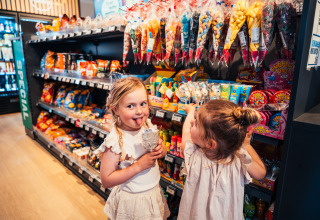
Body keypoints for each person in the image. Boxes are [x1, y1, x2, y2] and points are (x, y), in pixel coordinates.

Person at [178, 100, 266, 220]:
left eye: (196, 124)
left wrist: (190, 112)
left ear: (210, 143)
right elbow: (261, 173)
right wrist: (246, 145)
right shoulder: (239, 156)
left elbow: (186, 133)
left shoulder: (193, 155)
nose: (192, 123)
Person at [98, 77, 170, 220]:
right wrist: (138, 166)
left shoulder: (147, 125)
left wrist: (162, 150)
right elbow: (106, 180)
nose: (139, 111)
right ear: (115, 109)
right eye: (130, 106)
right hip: (132, 202)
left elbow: (160, 148)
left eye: (143, 104)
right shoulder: (115, 141)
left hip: (153, 193)